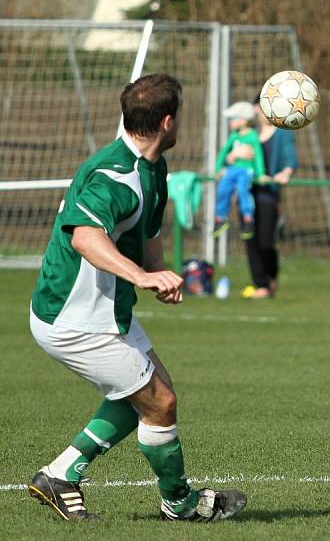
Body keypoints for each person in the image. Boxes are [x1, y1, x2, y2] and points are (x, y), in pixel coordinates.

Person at [27, 73, 247, 522]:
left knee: (146, 397)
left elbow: (148, 229)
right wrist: (141, 278)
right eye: (180, 115)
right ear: (168, 122)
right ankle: (180, 503)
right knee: (159, 402)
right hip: (73, 319)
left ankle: (60, 474)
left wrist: (156, 274)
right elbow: (86, 238)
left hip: (105, 312)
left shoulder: (152, 167)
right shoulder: (115, 175)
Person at [225, 96, 298, 299]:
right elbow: (227, 159)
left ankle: (271, 277)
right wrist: (233, 156)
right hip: (247, 195)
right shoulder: (248, 134)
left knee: (266, 241)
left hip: (267, 196)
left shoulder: (282, 134)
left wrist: (286, 173)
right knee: (250, 240)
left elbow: (290, 158)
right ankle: (261, 285)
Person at [213, 101, 267, 240]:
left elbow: (258, 157)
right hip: (233, 169)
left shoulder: (253, 137)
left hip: (246, 170)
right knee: (222, 189)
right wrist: (218, 169)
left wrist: (261, 174)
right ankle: (221, 218)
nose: (230, 122)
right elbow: (223, 153)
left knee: (243, 191)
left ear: (243, 120)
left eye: (233, 119)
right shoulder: (234, 136)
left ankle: (248, 219)